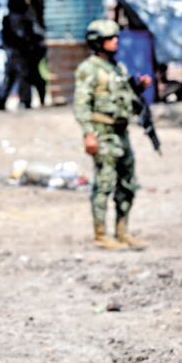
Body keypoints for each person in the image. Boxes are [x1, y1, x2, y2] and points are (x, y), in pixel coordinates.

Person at [73, 19, 151, 250]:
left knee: (127, 184)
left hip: (121, 132)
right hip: (103, 132)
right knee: (104, 183)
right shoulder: (89, 69)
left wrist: (139, 88)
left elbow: (126, 99)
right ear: (97, 42)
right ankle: (101, 235)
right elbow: (81, 104)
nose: (115, 41)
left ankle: (122, 231)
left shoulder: (118, 68)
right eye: (109, 38)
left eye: (116, 37)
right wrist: (88, 134)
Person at [0, 0, 46, 110]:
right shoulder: (16, 19)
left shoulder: (18, 18)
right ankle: (23, 101)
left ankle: (5, 102)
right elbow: (16, 37)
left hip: (19, 54)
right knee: (22, 77)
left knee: (14, 78)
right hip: (19, 54)